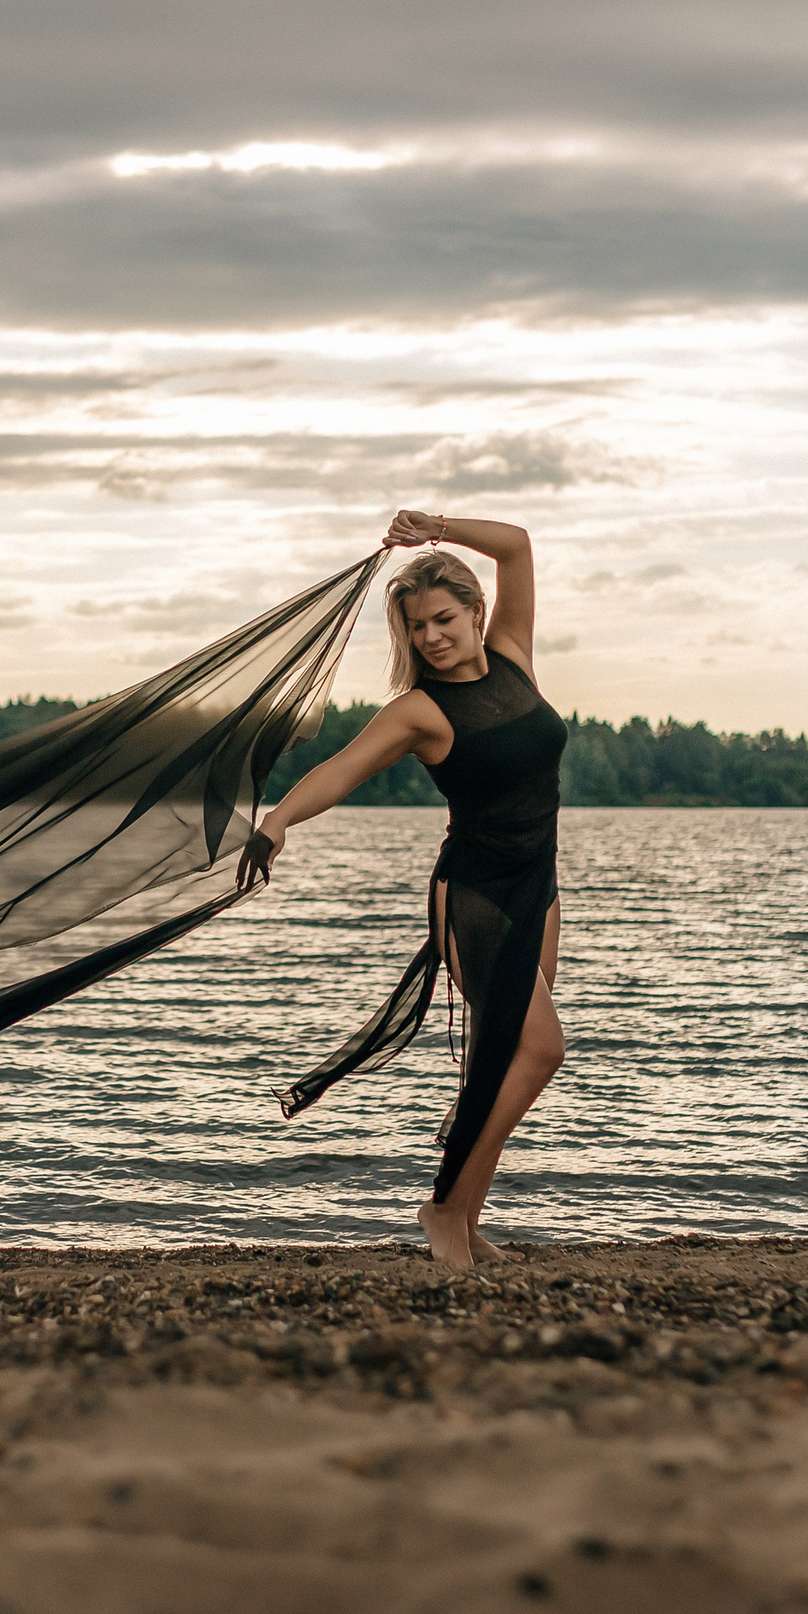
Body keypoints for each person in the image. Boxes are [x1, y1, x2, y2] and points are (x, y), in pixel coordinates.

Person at [248, 510, 568, 1271]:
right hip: (475, 894)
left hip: (540, 884)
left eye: (444, 618)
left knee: (498, 1062)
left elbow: (518, 545)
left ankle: (465, 1217)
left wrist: (437, 529)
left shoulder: (514, 656)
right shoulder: (420, 711)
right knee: (541, 1049)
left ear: (475, 611)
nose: (431, 636)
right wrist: (279, 820)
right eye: (417, 625)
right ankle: (442, 1210)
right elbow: (341, 770)